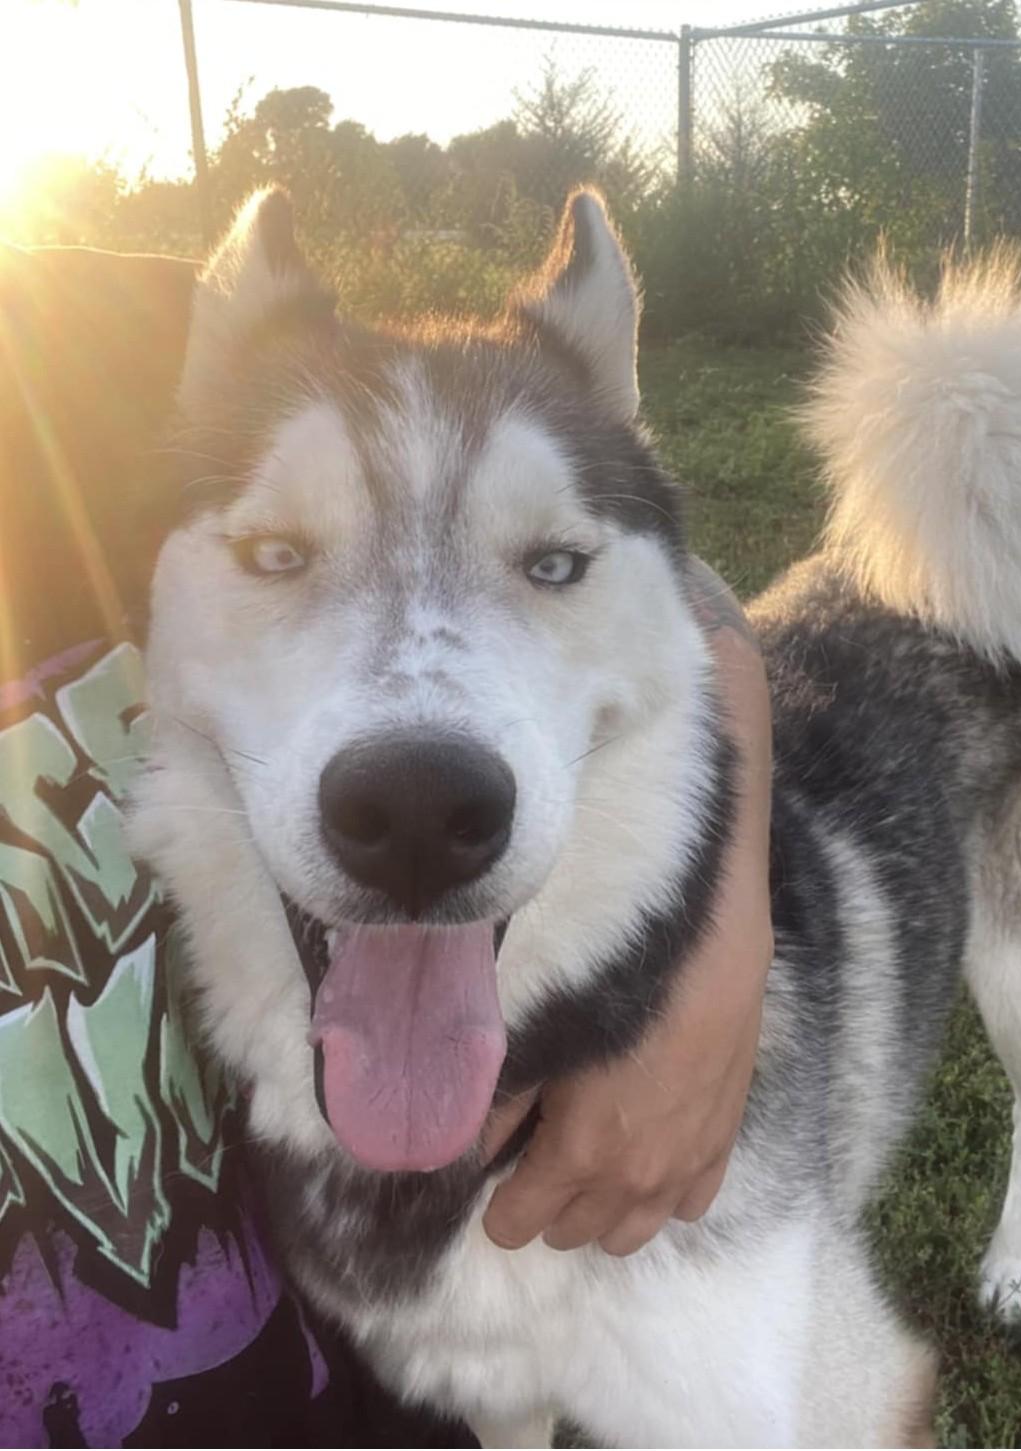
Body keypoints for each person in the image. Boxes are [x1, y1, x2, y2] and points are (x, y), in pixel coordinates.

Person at [0, 238, 773, 1446]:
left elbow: (676, 578)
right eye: (278, 554)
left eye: (546, 564)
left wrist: (716, 941)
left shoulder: (62, 339)